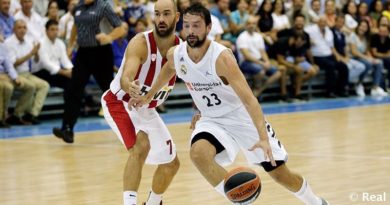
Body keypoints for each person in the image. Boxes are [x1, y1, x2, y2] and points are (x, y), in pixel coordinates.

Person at [131, 3, 329, 205]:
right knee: (199, 153)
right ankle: (240, 199)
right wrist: (149, 96)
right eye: (187, 25)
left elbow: (250, 100)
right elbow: (169, 69)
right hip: (212, 120)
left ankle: (316, 202)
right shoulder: (176, 54)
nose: (191, 31)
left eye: (197, 26)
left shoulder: (221, 58)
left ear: (209, 28)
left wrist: (262, 138)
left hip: (241, 117)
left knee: (279, 174)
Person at [100, 0, 181, 204]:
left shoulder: (180, 50)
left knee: (171, 164)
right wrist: (130, 86)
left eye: (166, 14)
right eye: (157, 14)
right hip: (120, 102)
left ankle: (153, 203)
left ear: (177, 17)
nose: (161, 19)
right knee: (141, 145)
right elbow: (127, 76)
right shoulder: (141, 43)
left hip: (146, 108)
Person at [52, 0, 127, 143]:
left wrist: (109, 37)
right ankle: (67, 129)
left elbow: (120, 28)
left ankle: (128, 124)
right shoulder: (78, 6)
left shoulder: (103, 6)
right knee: (74, 88)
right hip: (83, 53)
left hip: (101, 53)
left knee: (110, 91)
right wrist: (70, 45)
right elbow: (76, 25)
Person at [5, 19, 49, 125]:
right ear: (14, 29)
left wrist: (36, 53)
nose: (22, 30)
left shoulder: (28, 41)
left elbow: (36, 60)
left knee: (44, 85)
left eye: (24, 27)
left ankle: (32, 114)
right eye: (19, 27)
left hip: (27, 73)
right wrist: (31, 54)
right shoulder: (9, 43)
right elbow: (13, 63)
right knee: (31, 86)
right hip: (14, 75)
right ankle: (17, 114)